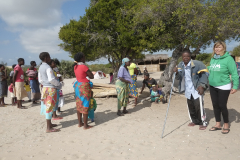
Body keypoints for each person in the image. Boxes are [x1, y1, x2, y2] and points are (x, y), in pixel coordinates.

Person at [208, 41, 239, 134]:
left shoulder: (228, 59)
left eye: (219, 47)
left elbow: (234, 73)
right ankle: (218, 124)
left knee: (222, 105)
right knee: (215, 105)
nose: (217, 49)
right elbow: (211, 69)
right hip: (212, 85)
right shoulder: (213, 58)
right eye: (216, 47)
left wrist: (235, 86)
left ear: (224, 48)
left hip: (224, 85)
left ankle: (226, 124)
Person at [173, 50, 208, 130]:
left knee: (198, 106)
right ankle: (194, 121)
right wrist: (176, 72)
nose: (185, 58)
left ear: (190, 57)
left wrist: (202, 86)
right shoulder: (180, 65)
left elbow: (204, 76)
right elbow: (179, 78)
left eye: (187, 56)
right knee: (190, 106)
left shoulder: (197, 64)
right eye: (184, 57)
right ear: (182, 57)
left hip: (197, 89)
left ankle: (202, 122)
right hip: (188, 90)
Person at [38, 52, 62, 133]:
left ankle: (50, 124)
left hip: (44, 88)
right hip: (51, 88)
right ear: (45, 58)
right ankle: (49, 128)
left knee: (47, 106)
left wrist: (44, 84)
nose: (50, 58)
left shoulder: (41, 67)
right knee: (49, 106)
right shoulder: (48, 67)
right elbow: (51, 79)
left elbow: (40, 79)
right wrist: (59, 84)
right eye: (49, 56)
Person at [73, 52, 94, 130]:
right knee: (85, 104)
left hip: (78, 85)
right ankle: (85, 125)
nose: (85, 59)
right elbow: (92, 76)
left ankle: (80, 123)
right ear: (81, 58)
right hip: (84, 86)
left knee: (79, 103)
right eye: (84, 57)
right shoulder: (84, 66)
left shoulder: (75, 66)